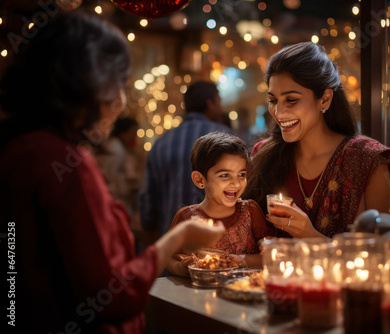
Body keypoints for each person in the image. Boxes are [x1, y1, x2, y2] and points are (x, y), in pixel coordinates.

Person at [0, 10, 225, 333]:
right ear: (87, 84)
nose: (122, 100)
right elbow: (113, 296)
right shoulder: (65, 162)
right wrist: (180, 236)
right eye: (119, 83)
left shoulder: (17, 148)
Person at [243, 41, 390, 238]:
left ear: (325, 99)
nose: (279, 112)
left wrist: (309, 235)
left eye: (291, 100)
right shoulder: (262, 155)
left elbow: (379, 255)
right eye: (273, 100)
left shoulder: (367, 160)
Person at [166, 131, 274, 276]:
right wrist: (180, 267)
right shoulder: (187, 218)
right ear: (200, 180)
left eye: (241, 175)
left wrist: (243, 260)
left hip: (243, 292)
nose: (236, 183)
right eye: (225, 175)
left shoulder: (251, 211)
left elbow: (270, 257)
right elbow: (169, 257)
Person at [139, 81, 234, 239]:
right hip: (219, 247)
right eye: (219, 103)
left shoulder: (162, 143)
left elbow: (148, 202)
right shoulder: (228, 138)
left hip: (172, 247)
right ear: (210, 103)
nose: (221, 108)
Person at [96, 116, 142, 217]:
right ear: (122, 132)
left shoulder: (121, 147)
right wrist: (128, 181)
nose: (133, 136)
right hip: (115, 202)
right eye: (131, 132)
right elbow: (108, 177)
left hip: (121, 201)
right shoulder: (116, 148)